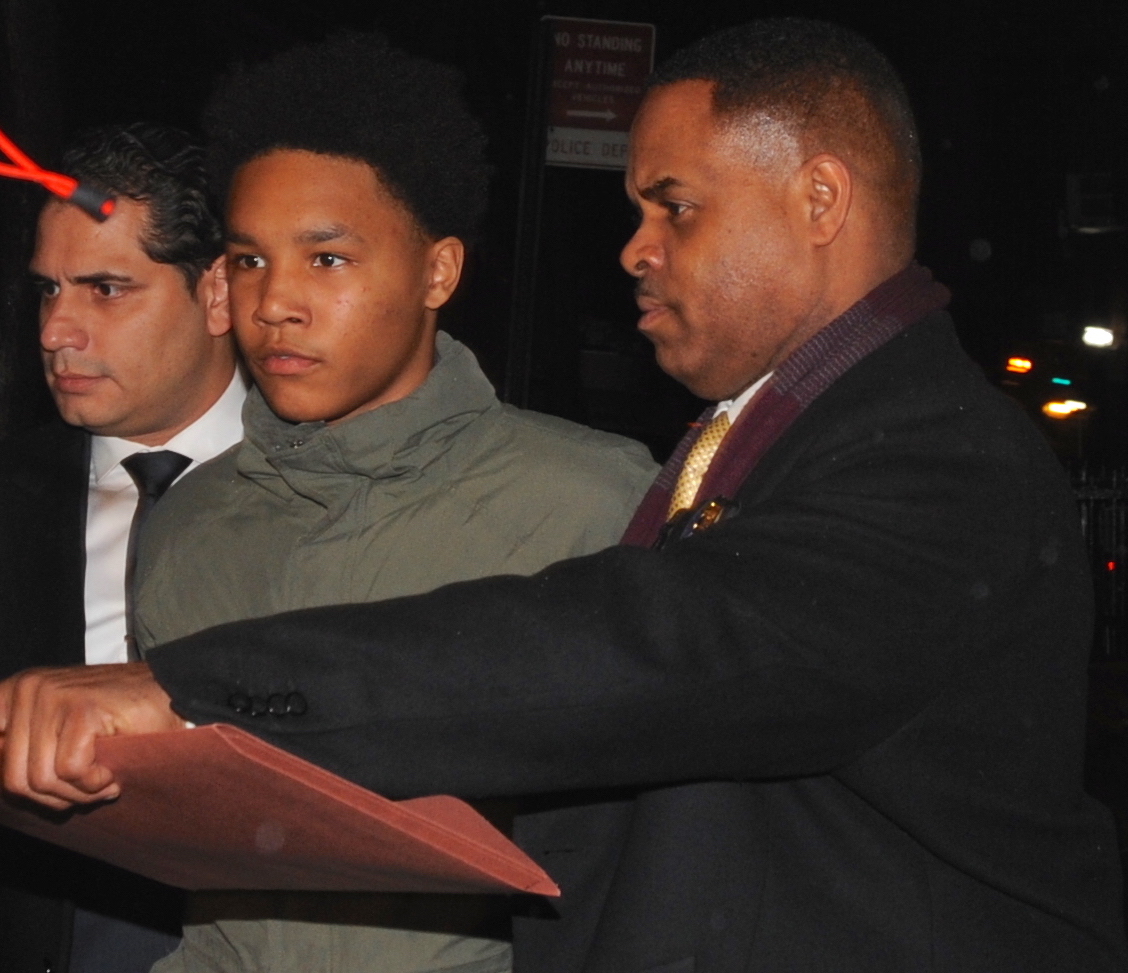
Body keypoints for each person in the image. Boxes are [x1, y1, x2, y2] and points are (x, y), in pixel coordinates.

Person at [3, 18, 1127, 973]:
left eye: (673, 205)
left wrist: (196, 689)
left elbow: (658, 648)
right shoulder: (775, 432)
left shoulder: (934, 457)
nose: (634, 248)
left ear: (819, 197)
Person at [129, 32, 654, 973]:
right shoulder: (185, 528)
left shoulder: (594, 502)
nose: (275, 300)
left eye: (326, 260)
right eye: (248, 260)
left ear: (437, 273)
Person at [0, 124, 243, 973]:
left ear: (216, 293)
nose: (58, 329)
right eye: (46, 291)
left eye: (105, 289)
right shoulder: (14, 492)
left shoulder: (329, 484)